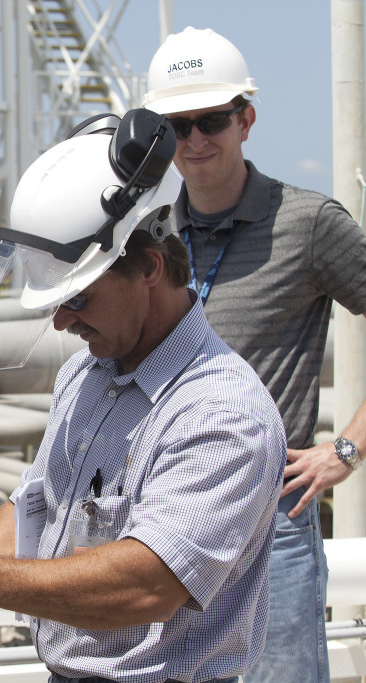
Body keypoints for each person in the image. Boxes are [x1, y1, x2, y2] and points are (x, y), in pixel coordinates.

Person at [0, 108, 287, 683]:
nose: (61, 322)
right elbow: (36, 506)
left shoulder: (221, 412)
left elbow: (144, 586)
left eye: (77, 299)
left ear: (150, 267)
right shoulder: (86, 376)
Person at [141, 27, 366, 683]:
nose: (195, 140)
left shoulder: (310, 223)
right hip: (166, 522)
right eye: (177, 126)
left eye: (211, 120)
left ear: (246, 119)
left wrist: (346, 449)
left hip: (273, 525)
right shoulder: (153, 237)